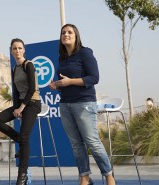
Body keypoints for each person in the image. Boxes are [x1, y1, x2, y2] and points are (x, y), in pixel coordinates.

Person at [49, 24, 116, 185]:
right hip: (65, 104)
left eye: (69, 32)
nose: (66, 34)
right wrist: (58, 85)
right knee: (76, 145)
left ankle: (109, 176)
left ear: (76, 35)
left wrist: (69, 81)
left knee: (92, 141)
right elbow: (65, 85)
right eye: (63, 32)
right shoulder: (62, 58)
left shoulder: (85, 53)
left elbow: (94, 78)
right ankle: (84, 177)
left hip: (84, 103)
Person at [0, 38, 41, 185]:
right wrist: (16, 107)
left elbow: (32, 89)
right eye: (15, 48)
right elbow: (15, 92)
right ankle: (18, 139)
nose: (17, 51)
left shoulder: (28, 65)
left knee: (25, 138)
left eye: (20, 48)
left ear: (24, 50)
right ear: (11, 51)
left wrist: (22, 108)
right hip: (20, 104)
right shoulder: (15, 69)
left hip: (32, 103)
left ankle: (22, 177)